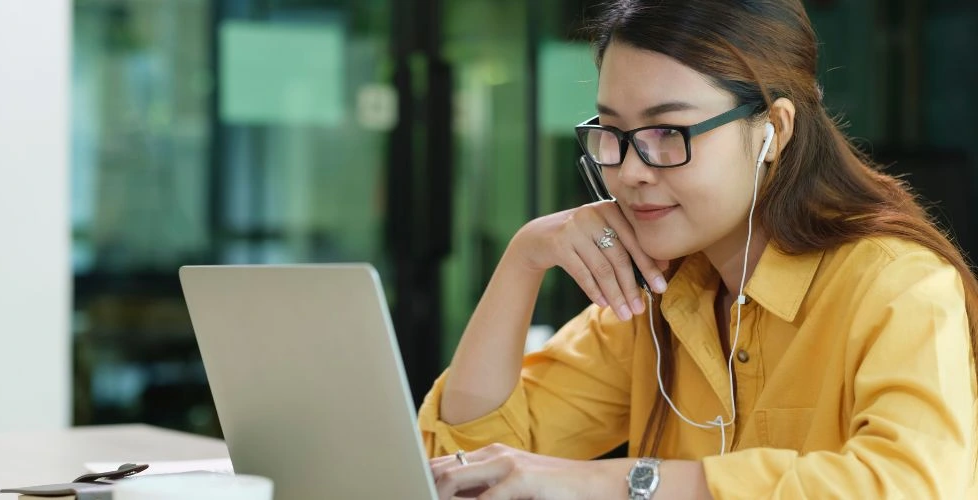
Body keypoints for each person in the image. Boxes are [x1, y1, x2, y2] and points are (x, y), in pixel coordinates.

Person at [418, 1, 978, 499]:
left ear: (773, 131)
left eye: (669, 132)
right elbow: (464, 461)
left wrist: (621, 482)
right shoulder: (661, 294)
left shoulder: (898, 287)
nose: (630, 170)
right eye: (612, 132)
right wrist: (525, 259)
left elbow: (914, 486)